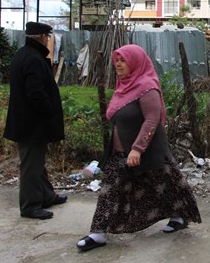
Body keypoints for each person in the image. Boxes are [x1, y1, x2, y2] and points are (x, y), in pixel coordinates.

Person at [76, 44, 201, 252]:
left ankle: (180, 215)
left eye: (123, 60)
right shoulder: (123, 85)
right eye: (117, 60)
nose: (118, 64)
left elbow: (152, 120)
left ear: (135, 62)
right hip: (119, 152)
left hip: (149, 150)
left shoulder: (146, 86)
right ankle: (98, 233)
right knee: (110, 189)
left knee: (167, 183)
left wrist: (137, 148)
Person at [4, 21, 67, 220]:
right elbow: (36, 93)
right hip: (32, 124)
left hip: (28, 123)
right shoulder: (32, 59)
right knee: (31, 166)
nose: (49, 40)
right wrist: (49, 111)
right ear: (41, 37)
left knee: (37, 163)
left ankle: (47, 196)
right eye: (47, 37)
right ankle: (30, 205)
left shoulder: (25, 55)